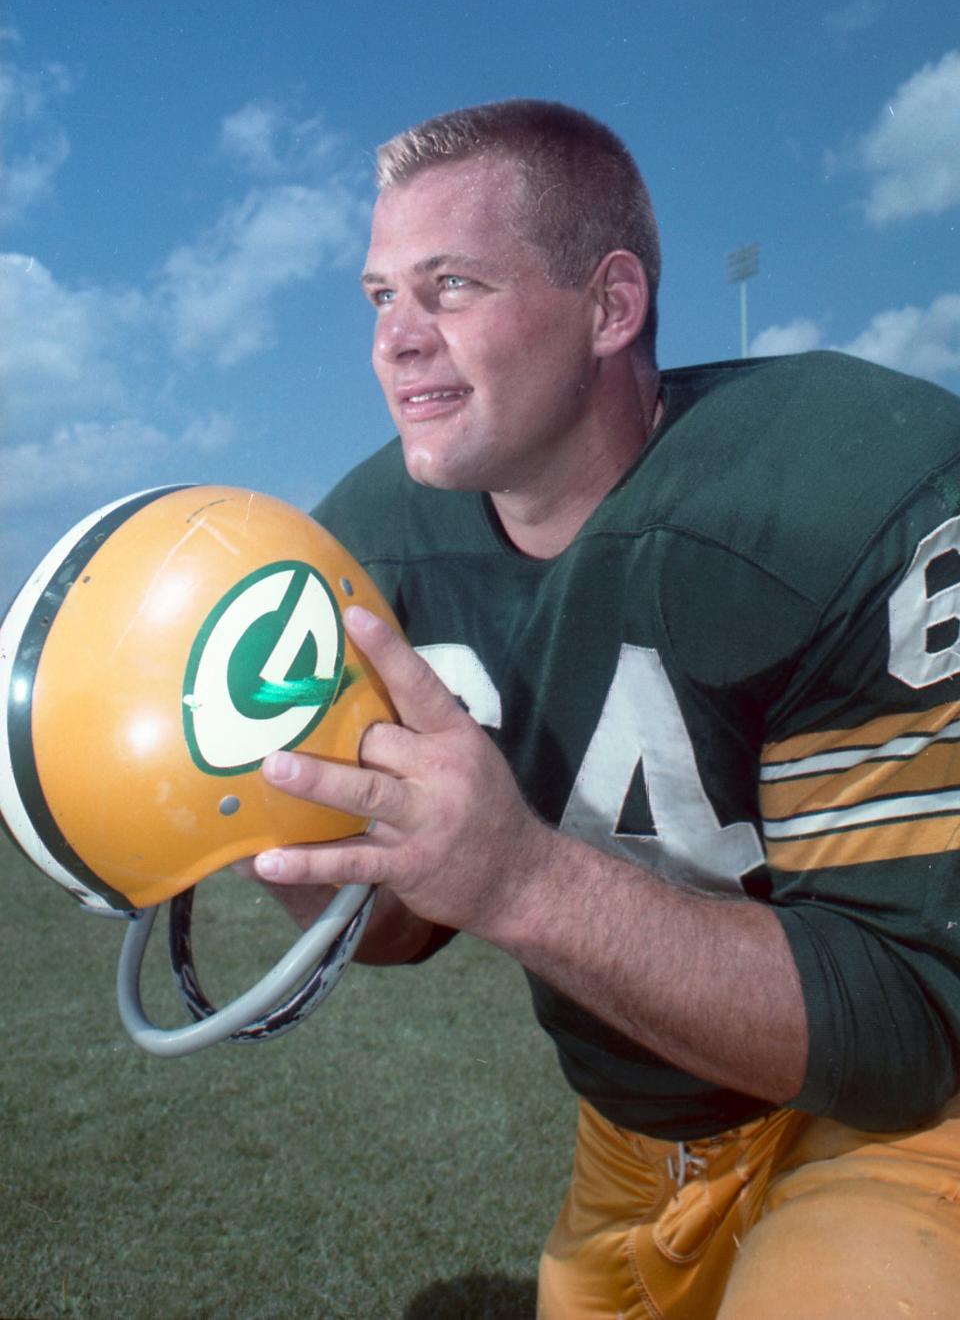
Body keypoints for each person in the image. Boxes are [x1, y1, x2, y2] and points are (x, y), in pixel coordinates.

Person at [252, 100, 960, 1318]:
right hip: (630, 1138)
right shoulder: (362, 548)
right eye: (379, 297)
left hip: (891, 1128)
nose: (396, 340)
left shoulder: (841, 490)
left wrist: (520, 878)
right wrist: (321, 866)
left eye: (451, 285)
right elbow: (401, 930)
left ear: (611, 304)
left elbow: (911, 1023)